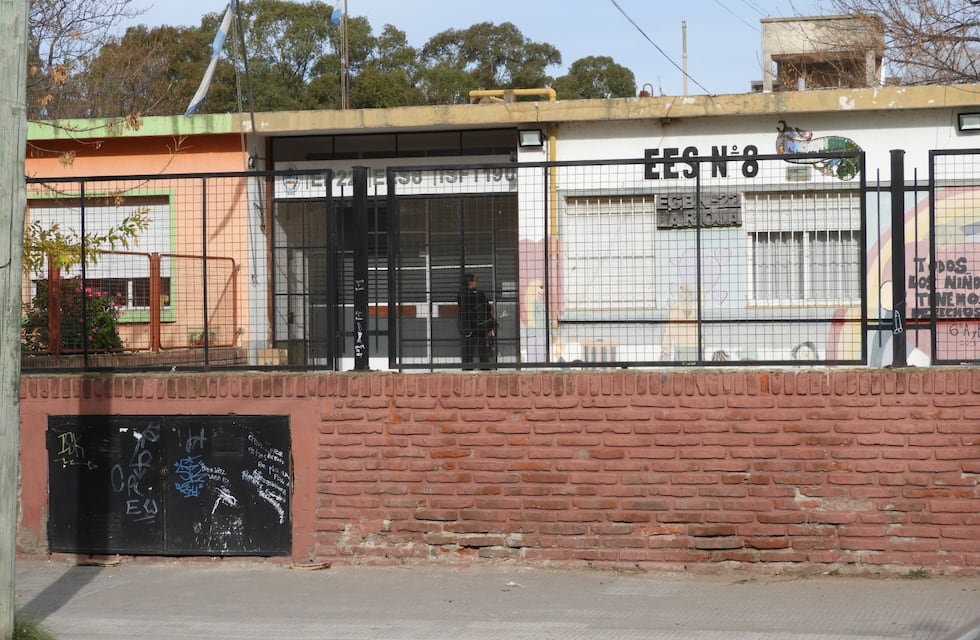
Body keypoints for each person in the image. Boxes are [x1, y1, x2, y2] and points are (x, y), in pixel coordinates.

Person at [457, 273, 496, 368]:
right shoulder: (479, 294)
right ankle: (485, 369)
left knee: (468, 352)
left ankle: (467, 370)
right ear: (470, 282)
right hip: (479, 326)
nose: (477, 282)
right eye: (475, 280)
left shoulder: (461, 295)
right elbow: (487, 307)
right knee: (482, 350)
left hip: (468, 326)